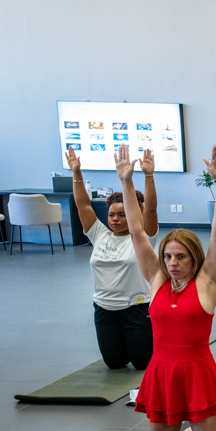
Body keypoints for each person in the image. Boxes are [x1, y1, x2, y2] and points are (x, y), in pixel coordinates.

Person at [116, 143, 216, 431]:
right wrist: (126, 181)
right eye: (167, 256)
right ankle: (196, 430)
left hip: (198, 374)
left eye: (180, 256)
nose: (172, 262)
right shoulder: (157, 279)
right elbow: (136, 232)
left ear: (194, 257)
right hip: (162, 373)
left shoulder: (207, 281)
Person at [67, 146, 158, 370]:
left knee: (142, 363)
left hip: (136, 307)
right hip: (103, 309)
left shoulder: (142, 237)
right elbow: (83, 205)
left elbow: (150, 210)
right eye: (111, 215)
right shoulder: (99, 235)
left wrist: (148, 176)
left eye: (122, 215)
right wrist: (76, 173)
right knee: (114, 363)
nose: (115, 219)